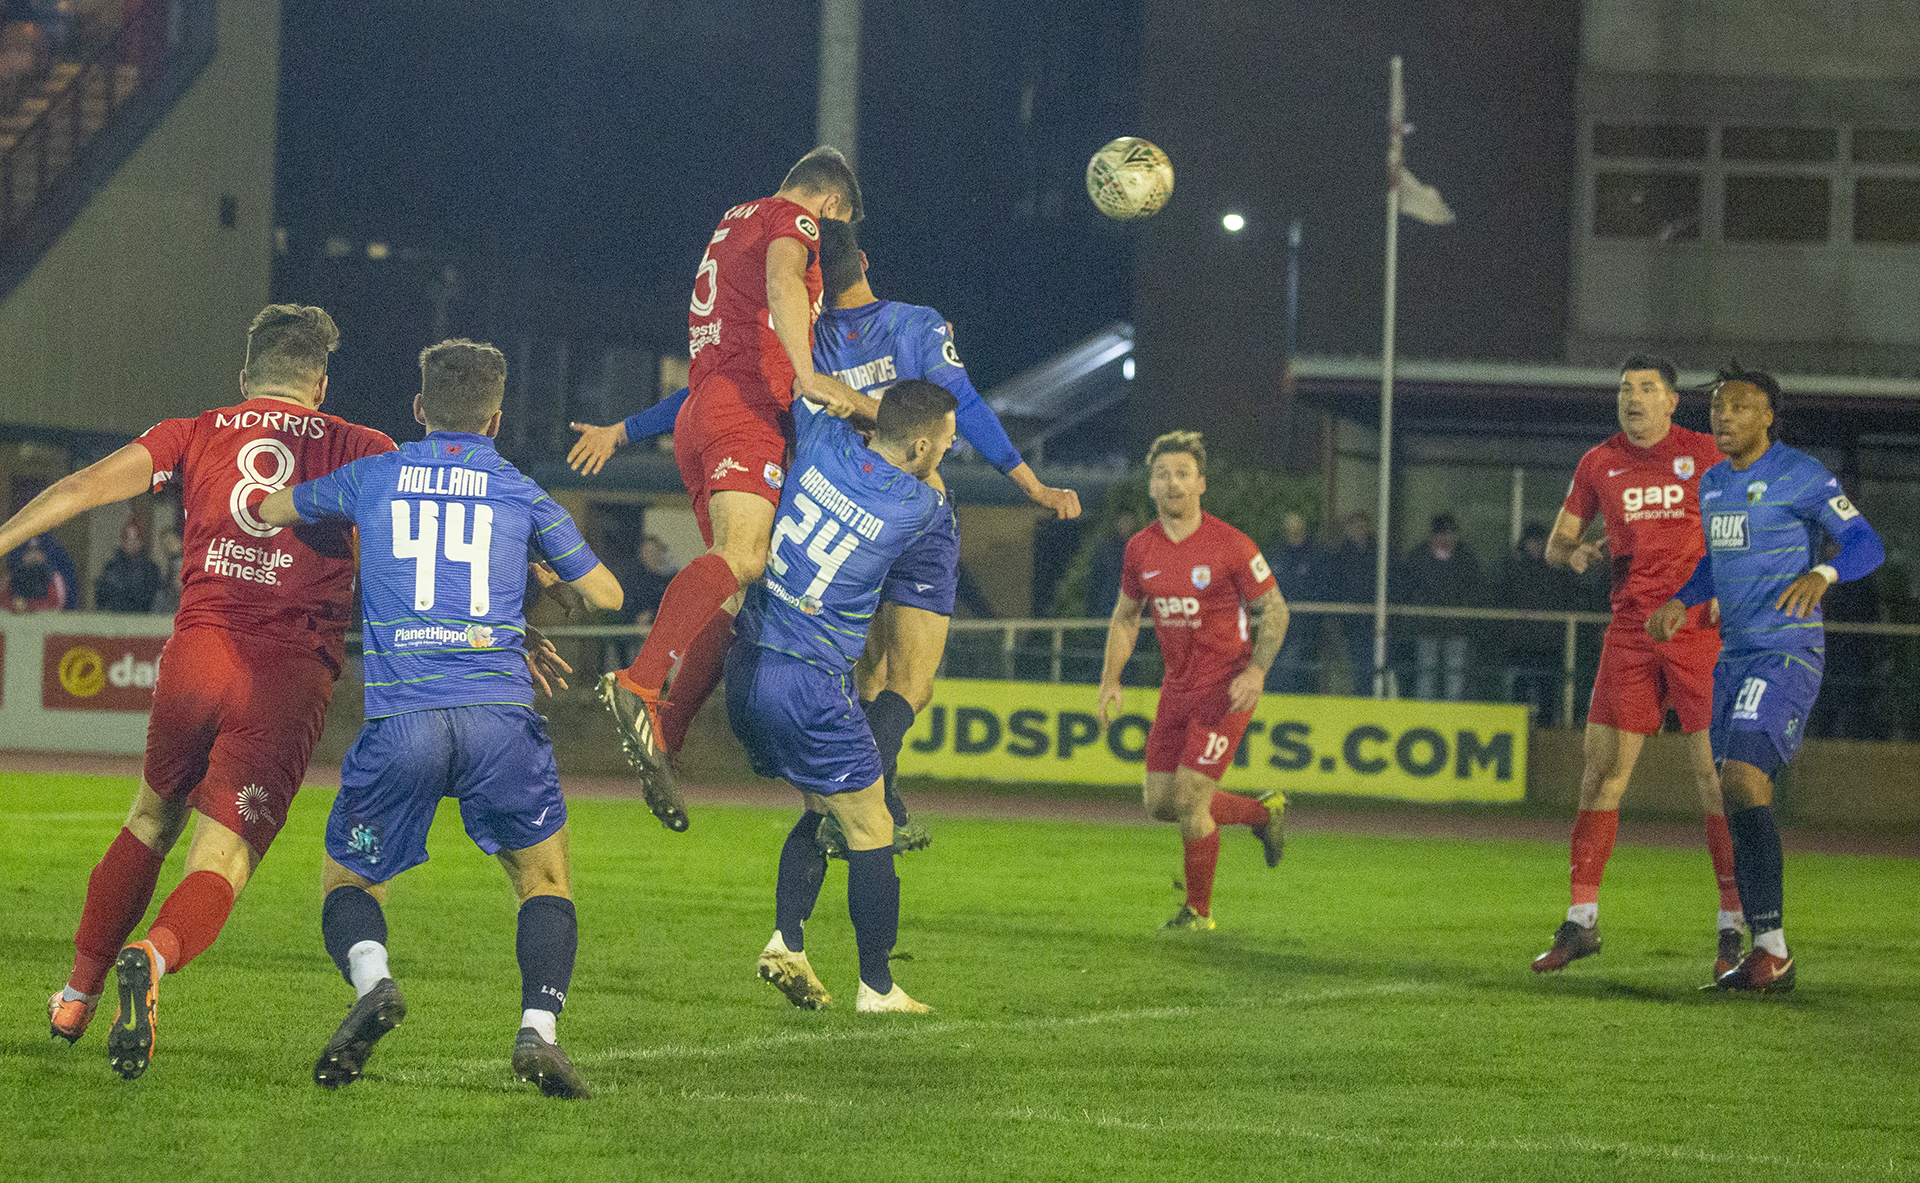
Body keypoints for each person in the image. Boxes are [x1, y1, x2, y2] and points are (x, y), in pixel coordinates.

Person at [575, 217, 1081, 851]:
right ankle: (870, 803)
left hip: (826, 517)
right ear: (864, 259)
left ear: (810, 279)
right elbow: (968, 405)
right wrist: (1032, 486)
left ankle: (695, 742)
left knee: (751, 595)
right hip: (914, 520)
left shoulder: (801, 338)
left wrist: (624, 431)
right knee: (907, 685)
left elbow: (717, 388)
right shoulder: (916, 324)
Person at [4, 305, 397, 1078]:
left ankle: (75, 993)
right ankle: (152, 956)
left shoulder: (196, 428)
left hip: (198, 651)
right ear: (319, 384)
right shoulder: (363, 446)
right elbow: (403, 551)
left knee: (151, 815)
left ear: (244, 377)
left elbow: (82, 488)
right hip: (284, 672)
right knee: (222, 854)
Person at [258, 339, 621, 1095]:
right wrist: (541, 571)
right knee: (544, 880)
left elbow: (271, 507)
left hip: (405, 723)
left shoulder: (374, 476)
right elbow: (609, 596)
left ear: (420, 410)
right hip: (499, 722)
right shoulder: (520, 491)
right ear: (494, 417)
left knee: (348, 881)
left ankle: (373, 983)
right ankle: (538, 1030)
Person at [590, 147, 876, 833]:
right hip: (746, 407)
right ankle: (640, 681)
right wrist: (807, 374)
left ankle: (666, 726)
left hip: (701, 407)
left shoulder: (732, 218)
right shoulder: (795, 223)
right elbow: (783, 280)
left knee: (740, 587)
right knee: (745, 556)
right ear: (831, 203)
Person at [1648, 365, 1883, 993]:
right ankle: (1764, 951)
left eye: (1740, 406)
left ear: (1768, 416)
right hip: (1733, 658)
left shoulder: (1802, 474)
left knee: (1743, 780)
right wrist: (1684, 598)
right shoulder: (1715, 483)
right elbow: (1714, 560)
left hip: (1786, 654)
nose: (1723, 416)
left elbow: (1866, 544)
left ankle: (1770, 949)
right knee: (1732, 794)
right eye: (1718, 406)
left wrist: (1825, 575)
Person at [726, 380, 956, 1014]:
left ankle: (787, 942)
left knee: (824, 806)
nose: (948, 452)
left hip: (745, 664)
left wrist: (848, 402)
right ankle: (878, 987)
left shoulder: (822, 439)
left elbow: (803, 382)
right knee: (874, 822)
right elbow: (932, 516)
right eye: (944, 443)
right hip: (811, 682)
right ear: (919, 445)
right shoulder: (922, 506)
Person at [1530, 355, 1738, 977]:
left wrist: (1730, 584)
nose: (1634, 398)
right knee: (1600, 774)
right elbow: (1556, 543)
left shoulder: (1706, 454)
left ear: (1673, 401)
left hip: (1699, 630)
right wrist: (1573, 555)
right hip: (1629, 632)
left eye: (1648, 389)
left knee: (1717, 780)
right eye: (1625, 389)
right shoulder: (1599, 463)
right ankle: (1581, 920)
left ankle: (1733, 928)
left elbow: (1746, 525)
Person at [1096, 432, 1288, 931]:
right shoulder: (1140, 549)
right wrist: (1110, 680)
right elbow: (1125, 616)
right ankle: (1262, 814)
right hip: (1175, 689)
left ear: (1200, 483)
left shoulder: (1231, 544)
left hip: (1227, 688)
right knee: (1159, 804)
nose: (1172, 483)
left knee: (1189, 799)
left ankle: (1198, 912)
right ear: (1151, 486)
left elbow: (1275, 610)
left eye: (1182, 474)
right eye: (1162, 475)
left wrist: (1257, 672)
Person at [1496, 521, 1587, 725]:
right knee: (1520, 687)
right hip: (1521, 642)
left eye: (1539, 542)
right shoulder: (1514, 567)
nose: (1536, 546)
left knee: (1547, 688)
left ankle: (1546, 727)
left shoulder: (1556, 569)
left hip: (1547, 643)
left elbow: (1567, 599)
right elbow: (1501, 598)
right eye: (1533, 542)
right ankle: (1514, 725)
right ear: (1525, 543)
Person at [1396, 512, 1480, 701]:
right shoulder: (1418, 557)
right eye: (1441, 534)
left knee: (1455, 678)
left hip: (1457, 629)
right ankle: (1425, 717)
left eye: (1449, 534)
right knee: (1426, 676)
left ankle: (1452, 717)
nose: (1445, 538)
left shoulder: (1465, 559)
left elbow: (1475, 589)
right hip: (1426, 627)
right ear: (1432, 536)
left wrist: (1462, 612)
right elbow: (1407, 588)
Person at [1267, 510, 1331, 693]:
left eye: (1297, 525)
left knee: (1298, 677)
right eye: (1289, 525)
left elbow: (1322, 590)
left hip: (1304, 630)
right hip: (1276, 628)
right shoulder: (1275, 553)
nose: (1293, 529)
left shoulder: (1316, 555)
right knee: (1275, 676)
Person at [1329, 511, 1379, 693]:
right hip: (1353, 625)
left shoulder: (1380, 552)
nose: (1358, 531)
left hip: (1378, 621)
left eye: (1361, 526)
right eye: (1354, 527)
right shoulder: (1340, 557)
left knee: (1378, 667)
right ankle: (1361, 702)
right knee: (1358, 669)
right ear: (1347, 531)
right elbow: (1335, 587)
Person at [94, 516, 162, 612]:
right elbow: (102, 599)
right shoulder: (111, 568)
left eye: (135, 539)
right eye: (128, 539)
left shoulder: (151, 570)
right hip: (114, 621)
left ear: (141, 542)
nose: (132, 543)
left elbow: (155, 601)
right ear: (122, 541)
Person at [1084, 508, 1139, 620]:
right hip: (1107, 609)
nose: (1126, 524)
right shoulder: (1106, 549)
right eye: (1123, 521)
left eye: (1129, 521)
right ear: (1117, 523)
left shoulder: (1140, 549)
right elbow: (1095, 580)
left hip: (1133, 610)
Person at [4, 535, 67, 611]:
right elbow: (5, 605)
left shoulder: (53, 578)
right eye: (29, 552)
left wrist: (37, 607)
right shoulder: (13, 578)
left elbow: (57, 606)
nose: (34, 556)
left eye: (37, 551)